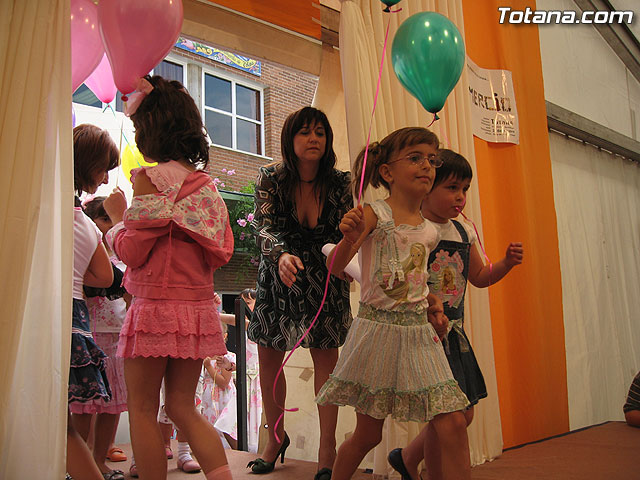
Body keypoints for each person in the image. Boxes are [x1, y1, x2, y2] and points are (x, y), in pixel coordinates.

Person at [315, 127, 471, 480]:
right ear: (387, 172)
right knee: (368, 434)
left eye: (432, 160)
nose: (427, 166)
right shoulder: (374, 215)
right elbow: (336, 267)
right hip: (378, 334)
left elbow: (416, 279)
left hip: (418, 335)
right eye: (415, 158)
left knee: (453, 421)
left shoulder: (429, 229)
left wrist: (432, 302)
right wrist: (348, 238)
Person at [102, 74, 234, 480]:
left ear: (152, 128)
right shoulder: (206, 188)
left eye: (140, 126)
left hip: (156, 308)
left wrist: (114, 221)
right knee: (182, 406)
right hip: (194, 311)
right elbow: (219, 253)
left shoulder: (149, 179)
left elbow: (134, 251)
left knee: (142, 409)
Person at [387, 148, 524, 480]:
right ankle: (412, 462)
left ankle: (407, 459)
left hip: (454, 333)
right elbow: (400, 284)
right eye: (451, 188)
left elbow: (478, 277)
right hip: (423, 333)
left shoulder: (463, 232)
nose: (460, 197)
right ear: (427, 186)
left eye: (464, 189)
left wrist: (505, 263)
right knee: (449, 416)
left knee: (462, 413)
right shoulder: (413, 229)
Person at [247, 106, 353, 478]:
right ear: (290, 139)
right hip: (280, 276)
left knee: (327, 362)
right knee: (269, 362)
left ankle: (328, 447)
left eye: (320, 132)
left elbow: (347, 233)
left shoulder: (341, 182)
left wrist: (351, 261)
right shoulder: (271, 177)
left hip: (326, 277)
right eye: (305, 132)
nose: (314, 139)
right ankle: (275, 438)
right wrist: (280, 255)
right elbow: (261, 227)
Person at [68, 124, 119, 480]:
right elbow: (104, 276)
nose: (103, 179)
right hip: (76, 317)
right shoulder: (84, 223)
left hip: (56, 312)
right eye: (102, 168)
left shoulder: (56, 210)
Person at [71, 196, 131, 480]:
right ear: (92, 223)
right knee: (86, 405)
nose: (109, 226)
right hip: (90, 335)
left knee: (113, 404)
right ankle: (80, 463)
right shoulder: (83, 253)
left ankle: (99, 460)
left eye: (112, 219)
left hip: (117, 336)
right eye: (104, 219)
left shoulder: (122, 256)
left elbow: (131, 298)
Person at [201, 326, 238, 449]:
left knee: (222, 423)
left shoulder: (226, 357)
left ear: (225, 336)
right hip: (206, 397)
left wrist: (209, 367)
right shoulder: (204, 355)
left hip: (223, 397)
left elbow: (223, 382)